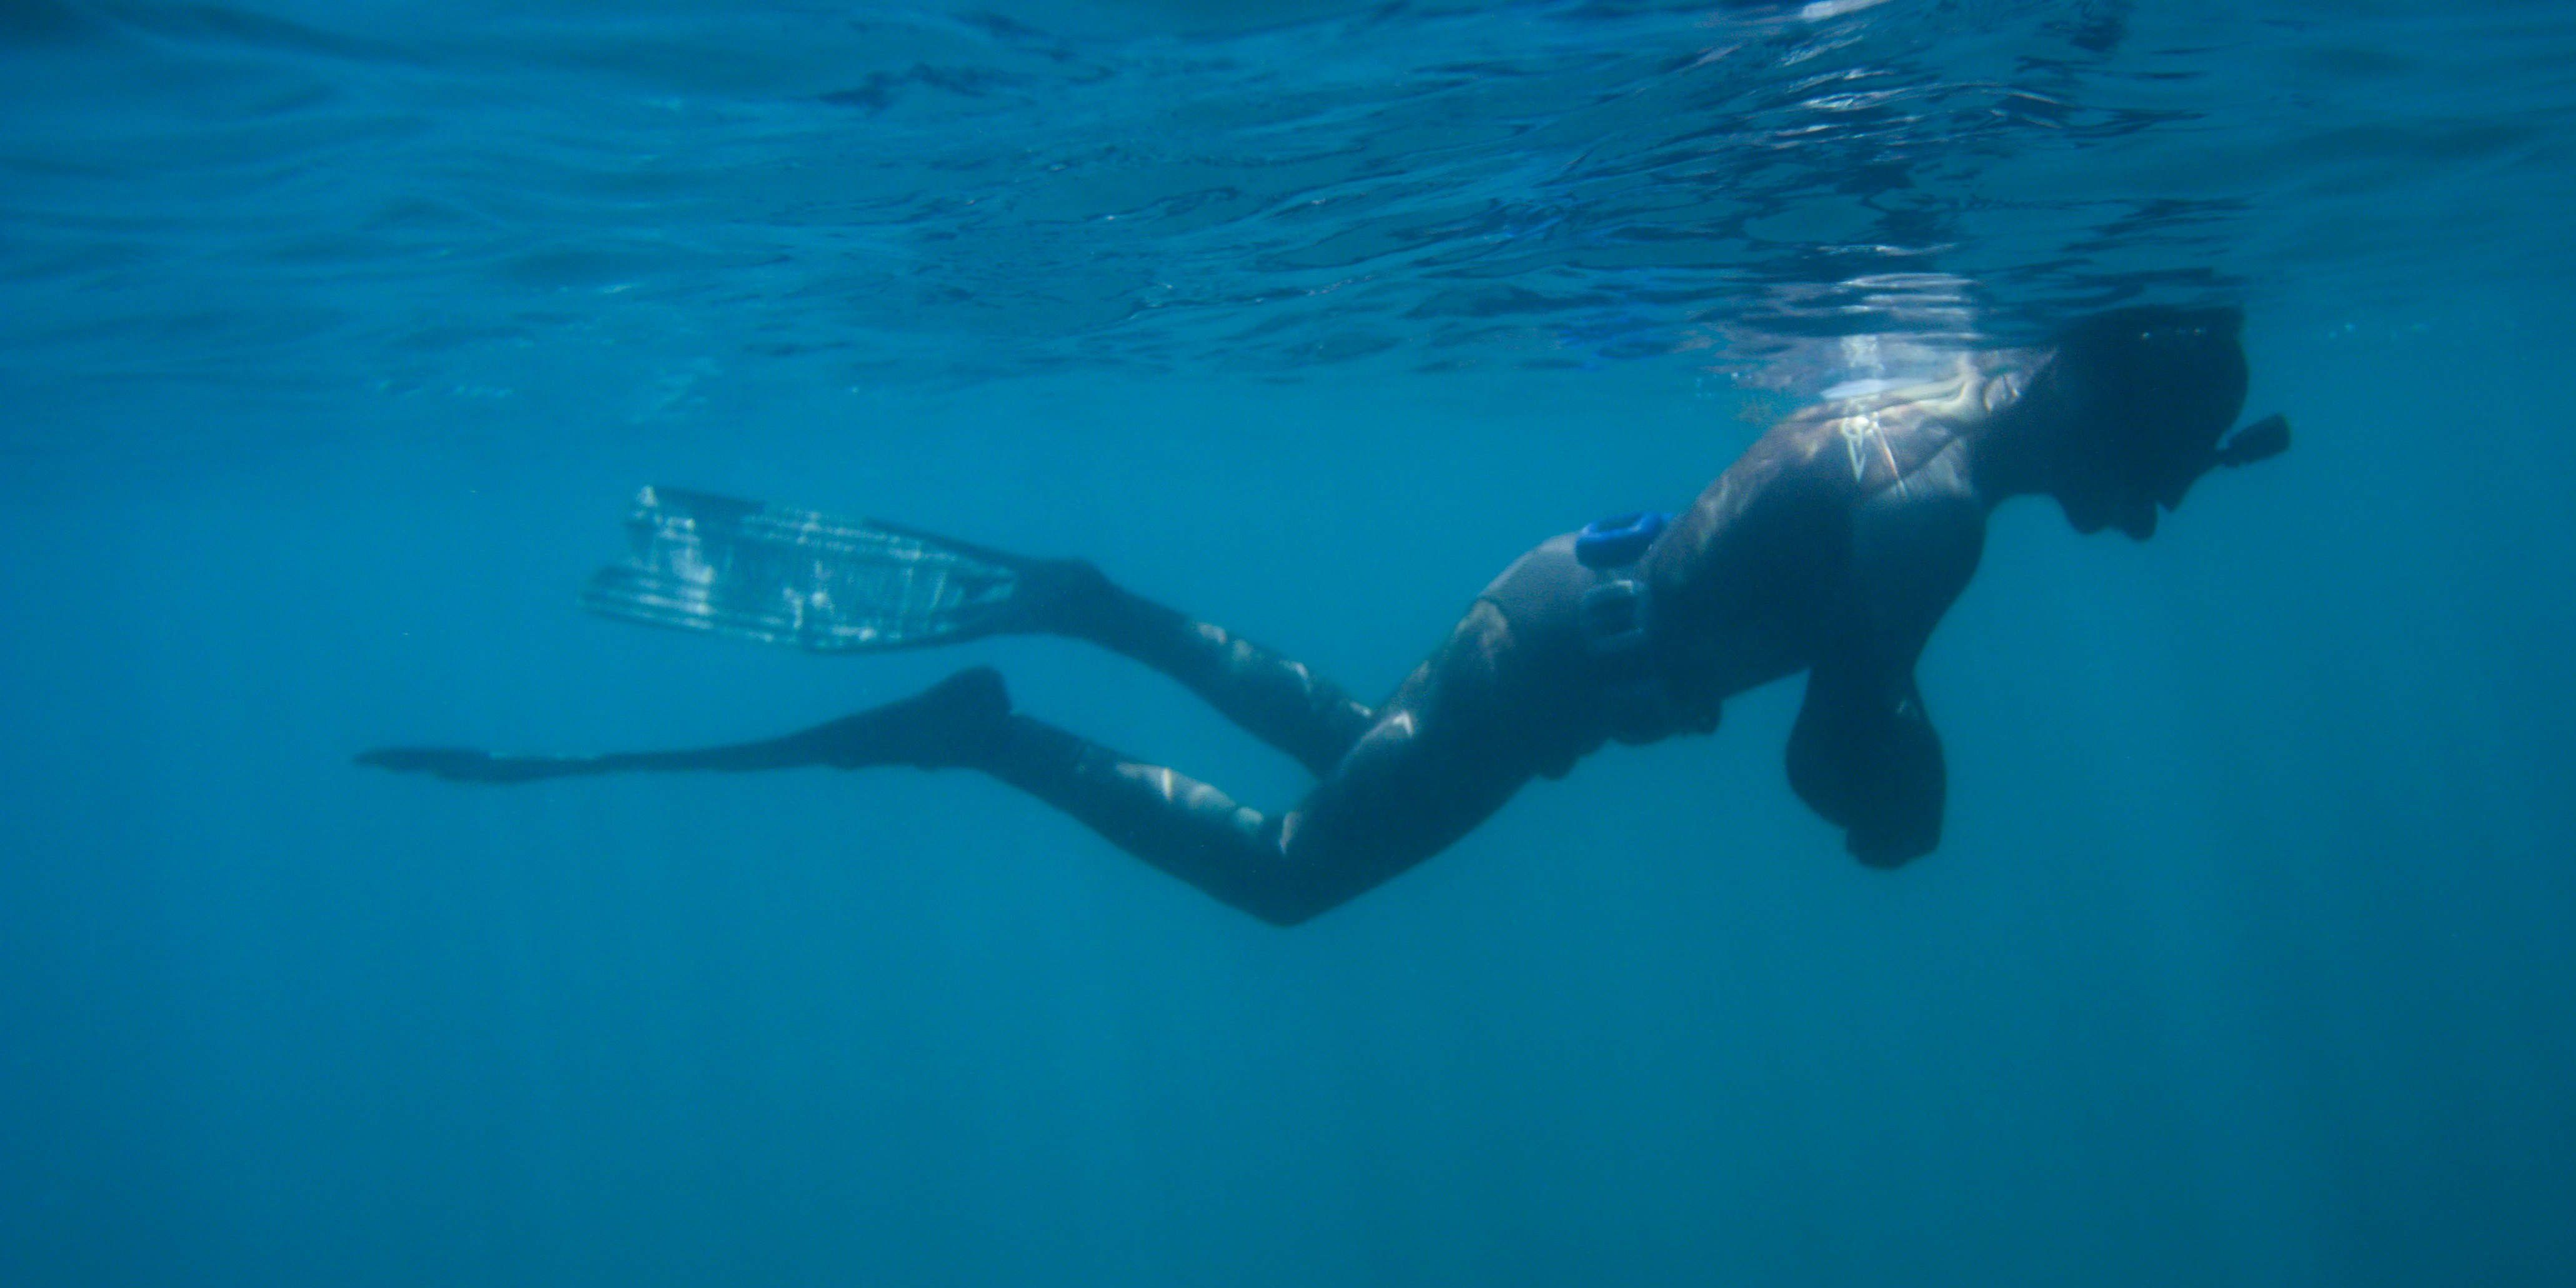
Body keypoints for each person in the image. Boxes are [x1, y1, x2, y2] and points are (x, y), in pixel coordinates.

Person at [361, 306, 2289, 926]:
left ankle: (1104, 611)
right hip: (1561, 670)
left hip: (1559, 598)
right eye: (2165, 480)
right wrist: (1911, 801)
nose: (2142, 527)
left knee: (1352, 748)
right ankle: (991, 730)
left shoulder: (1933, 380)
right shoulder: (1946, 518)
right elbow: (1828, 758)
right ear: (2113, 418)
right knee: (1292, 876)